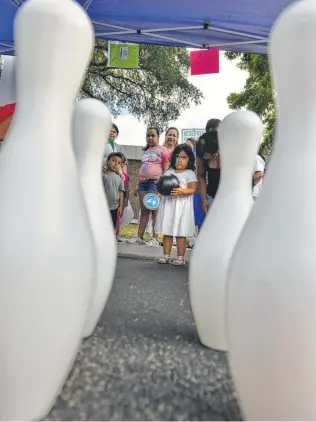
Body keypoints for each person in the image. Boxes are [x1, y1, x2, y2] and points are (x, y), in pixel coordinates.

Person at [155, 144, 197, 266]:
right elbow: (161, 185)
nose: (179, 160)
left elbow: (192, 189)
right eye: (177, 157)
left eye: (183, 157)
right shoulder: (169, 172)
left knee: (180, 232)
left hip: (182, 206)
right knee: (166, 230)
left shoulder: (189, 173)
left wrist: (181, 191)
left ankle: (180, 257)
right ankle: (166, 255)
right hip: (168, 205)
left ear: (189, 159)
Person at [128, 127, 169, 246]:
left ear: (158, 137)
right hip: (143, 183)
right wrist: (137, 184)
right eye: (148, 136)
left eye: (153, 135)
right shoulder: (145, 151)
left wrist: (163, 185)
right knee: (144, 210)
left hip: (155, 182)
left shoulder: (162, 150)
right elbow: (142, 168)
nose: (150, 138)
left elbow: (166, 167)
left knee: (154, 210)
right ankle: (139, 236)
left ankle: (155, 237)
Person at [196, 130, 221, 215]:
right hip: (211, 195)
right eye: (202, 155)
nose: (204, 156)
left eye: (207, 154)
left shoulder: (228, 156)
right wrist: (204, 200)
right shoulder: (201, 155)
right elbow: (200, 176)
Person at [103, 152, 125, 231]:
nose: (116, 164)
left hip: (114, 207)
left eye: (118, 163)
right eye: (113, 160)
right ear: (107, 161)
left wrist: (121, 206)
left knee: (111, 225)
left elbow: (121, 192)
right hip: (102, 206)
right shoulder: (103, 175)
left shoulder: (120, 178)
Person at [115, 153, 129, 241]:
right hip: (110, 199)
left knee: (118, 218)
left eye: (121, 163)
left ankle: (116, 233)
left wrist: (126, 199)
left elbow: (126, 188)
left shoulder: (124, 176)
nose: (117, 164)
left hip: (120, 200)